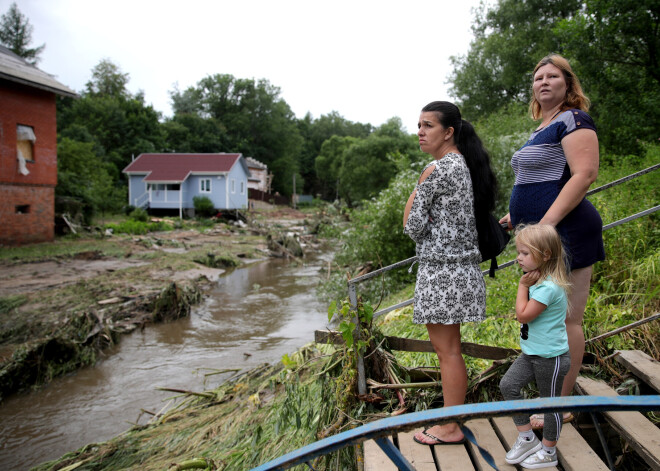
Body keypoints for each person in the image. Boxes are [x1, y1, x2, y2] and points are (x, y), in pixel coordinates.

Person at [499, 54, 605, 428]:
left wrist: (544, 224)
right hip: (542, 234)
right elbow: (541, 179)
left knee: (567, 321)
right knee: (547, 322)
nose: (543, 81)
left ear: (567, 84)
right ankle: (551, 400)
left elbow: (584, 174)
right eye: (537, 77)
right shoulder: (544, 125)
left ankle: (559, 405)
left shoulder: (574, 119)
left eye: (552, 76)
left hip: (566, 233)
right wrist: (518, 215)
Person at [403, 101, 497, 445]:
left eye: (428, 125)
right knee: (451, 351)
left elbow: (412, 226)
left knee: (448, 353)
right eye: (418, 125)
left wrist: (418, 186)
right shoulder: (463, 165)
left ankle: (451, 426)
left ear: (448, 132)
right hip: (459, 273)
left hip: (443, 275)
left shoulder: (440, 168)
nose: (420, 132)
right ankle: (452, 421)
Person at [500, 224, 571, 468]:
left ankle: (548, 451)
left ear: (546, 255)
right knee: (508, 385)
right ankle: (527, 437)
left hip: (551, 358)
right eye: (518, 252)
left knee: (550, 404)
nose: (518, 258)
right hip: (532, 354)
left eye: (525, 253)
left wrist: (522, 286)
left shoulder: (548, 288)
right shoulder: (540, 283)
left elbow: (523, 315)